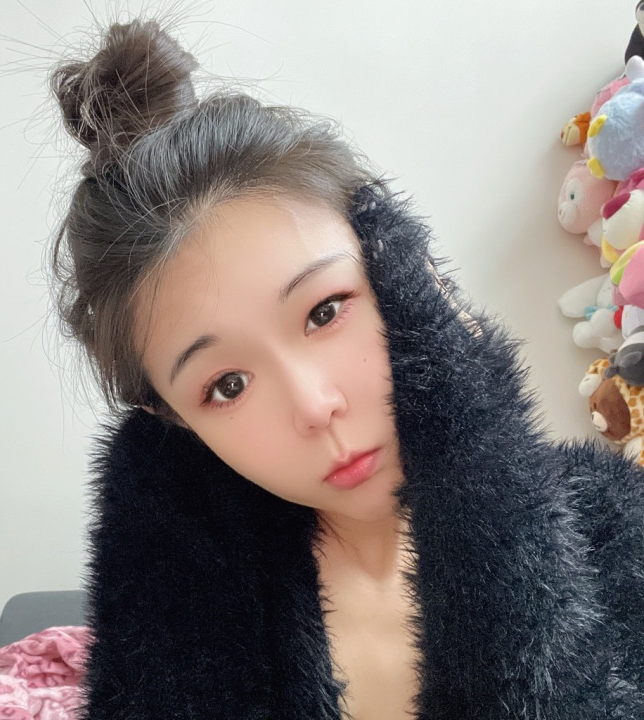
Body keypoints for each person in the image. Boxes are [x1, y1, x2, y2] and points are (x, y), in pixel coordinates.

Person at [49, 17, 644, 720]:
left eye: (325, 311)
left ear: (407, 279)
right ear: (174, 421)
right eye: (226, 386)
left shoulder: (616, 521)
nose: (314, 405)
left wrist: (483, 466)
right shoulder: (182, 619)